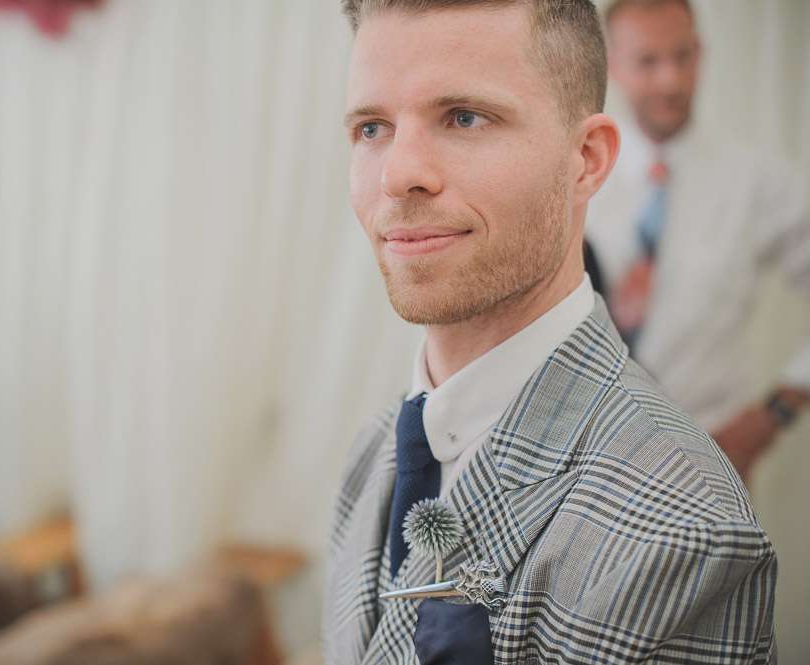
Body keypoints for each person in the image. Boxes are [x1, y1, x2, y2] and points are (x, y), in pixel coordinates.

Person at [323, 1, 776, 663]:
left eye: (464, 116)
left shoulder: (685, 529)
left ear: (586, 160)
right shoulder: (371, 454)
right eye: (372, 127)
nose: (398, 174)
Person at [587, 0, 810, 481]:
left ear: (701, 54)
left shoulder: (758, 183)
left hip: (712, 459)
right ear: (613, 66)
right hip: (587, 459)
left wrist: (773, 414)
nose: (671, 80)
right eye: (648, 61)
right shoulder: (573, 178)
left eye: (682, 56)